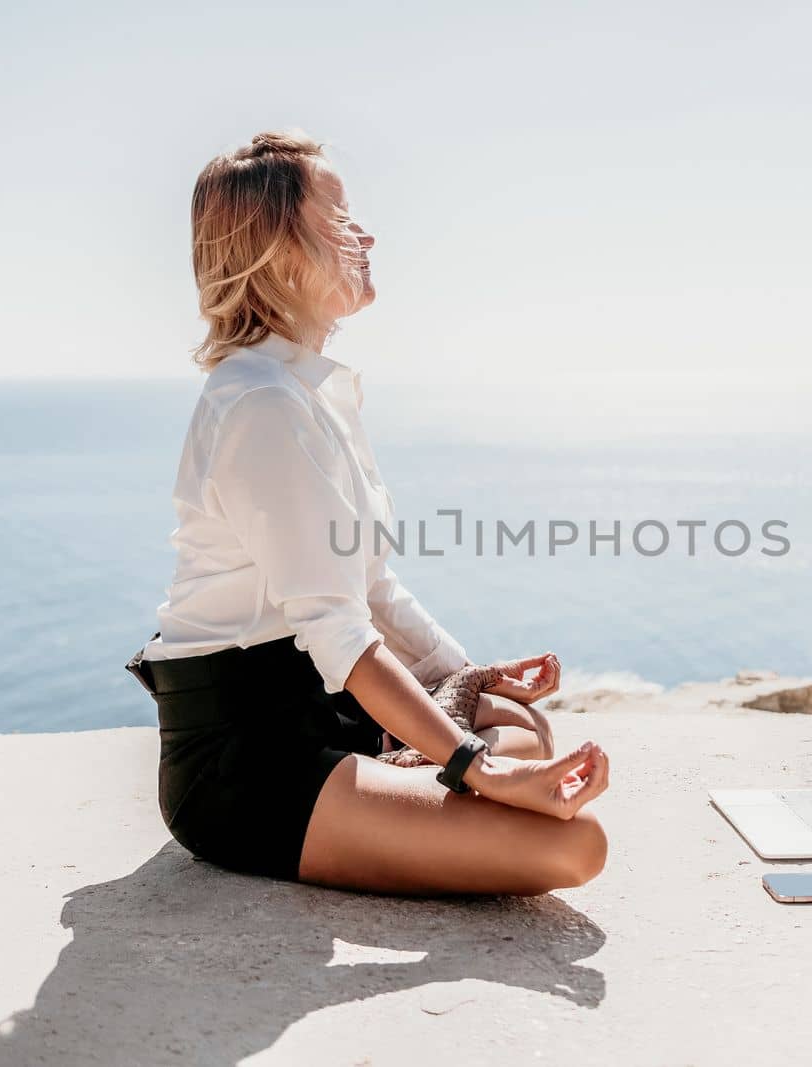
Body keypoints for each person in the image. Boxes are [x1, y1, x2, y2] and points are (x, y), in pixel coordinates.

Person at [126, 129, 609, 896]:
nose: (367, 235)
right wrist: (472, 766)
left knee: (522, 726)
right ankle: (404, 779)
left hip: (327, 715)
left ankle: (412, 768)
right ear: (279, 246)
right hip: (250, 762)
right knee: (572, 845)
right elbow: (341, 635)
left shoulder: (309, 390)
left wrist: (468, 675)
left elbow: (373, 589)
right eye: (340, 219)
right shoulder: (261, 404)